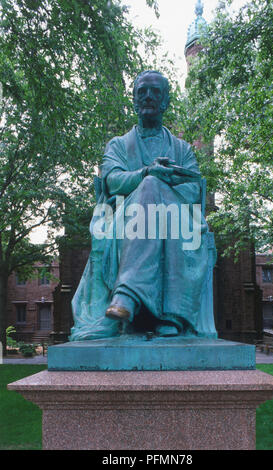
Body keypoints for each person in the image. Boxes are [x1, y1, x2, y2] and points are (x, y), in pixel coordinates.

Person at [70, 70, 217, 341]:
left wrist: (162, 185)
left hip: (175, 218)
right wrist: (146, 173)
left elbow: (193, 188)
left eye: (155, 92)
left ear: (165, 102)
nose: (148, 96)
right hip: (127, 218)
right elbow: (112, 180)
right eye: (142, 92)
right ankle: (168, 317)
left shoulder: (183, 149)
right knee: (149, 185)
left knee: (156, 191)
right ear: (134, 101)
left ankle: (127, 295)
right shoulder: (117, 146)